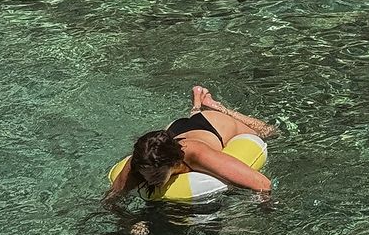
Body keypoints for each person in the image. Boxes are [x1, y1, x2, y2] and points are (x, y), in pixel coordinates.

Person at [105, 86, 275, 201]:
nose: (149, 182)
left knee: (269, 132)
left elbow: (262, 184)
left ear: (174, 163)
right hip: (176, 130)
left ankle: (215, 106)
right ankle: (196, 106)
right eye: (146, 176)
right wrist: (130, 223)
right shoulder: (141, 162)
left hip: (214, 126)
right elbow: (111, 200)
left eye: (156, 176)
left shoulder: (197, 154)